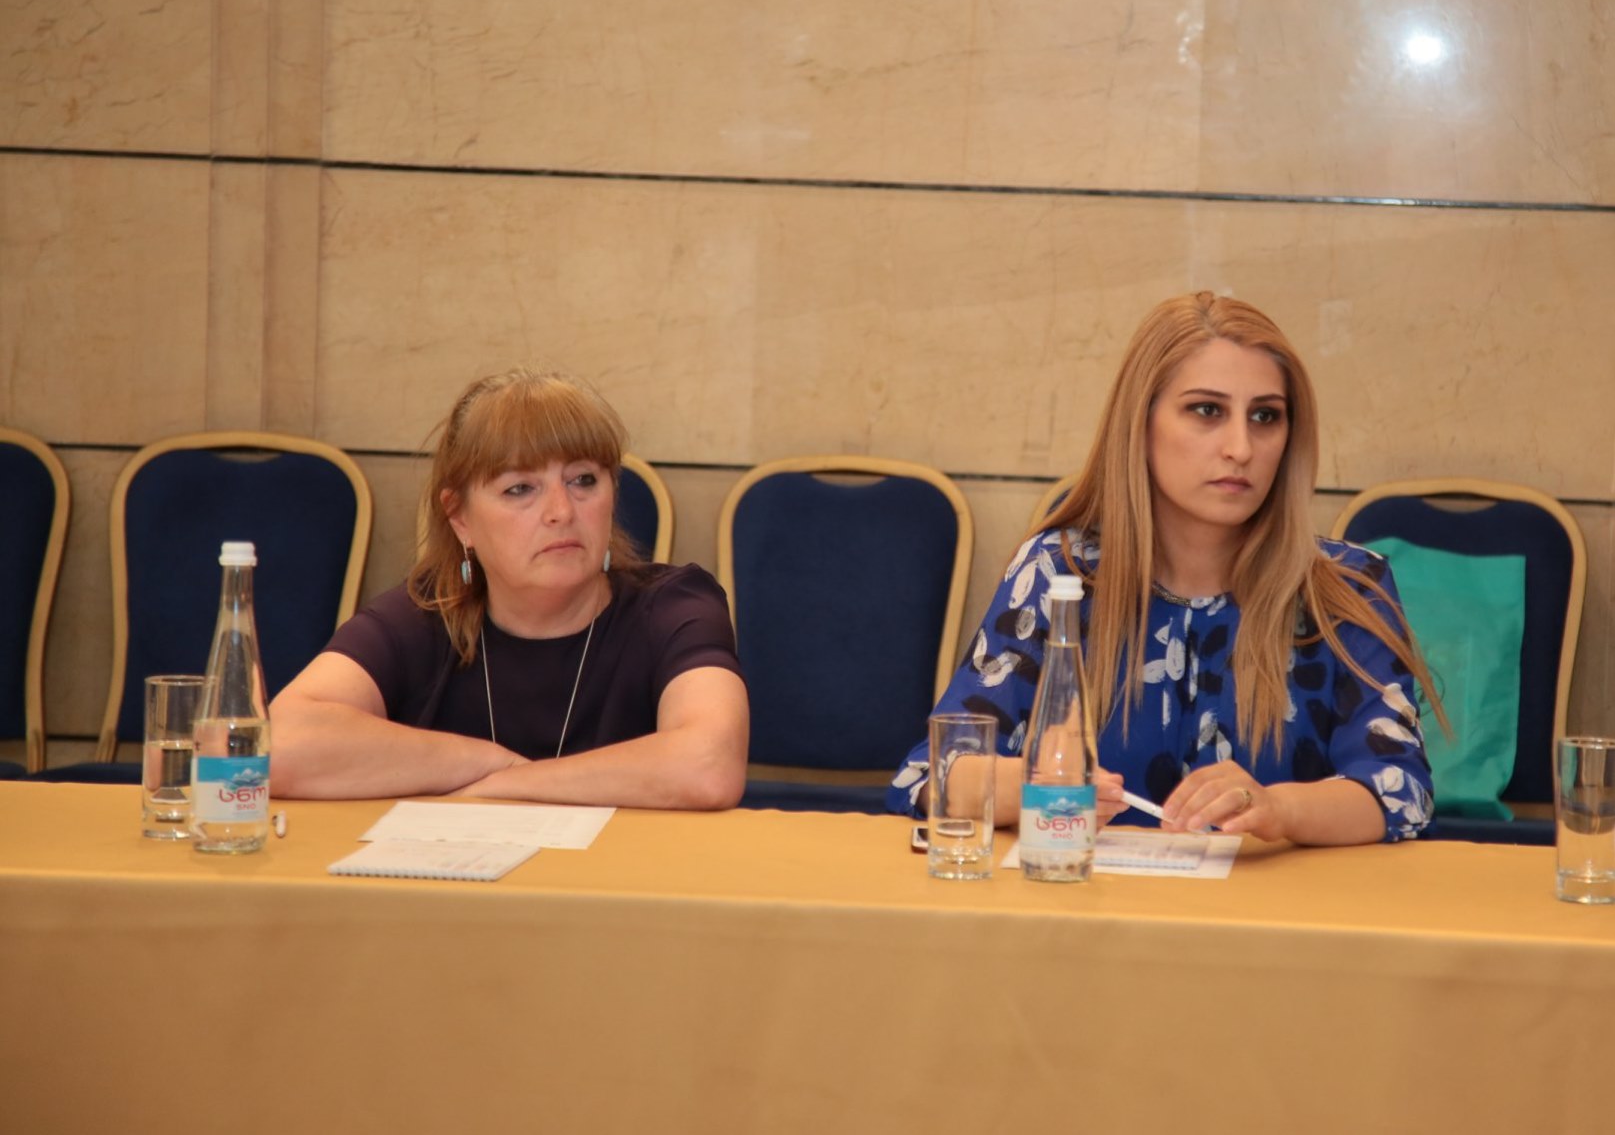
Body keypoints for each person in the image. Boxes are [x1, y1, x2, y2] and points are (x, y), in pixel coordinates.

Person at [887, 293, 1443, 846]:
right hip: (1091, 899)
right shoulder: (1058, 575)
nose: (1241, 447)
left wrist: (1278, 809)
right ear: (1141, 422)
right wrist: (1031, 781)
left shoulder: (1346, 586)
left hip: (1273, 903)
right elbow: (932, 775)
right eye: (1207, 411)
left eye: (1265, 416)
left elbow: (1400, 793)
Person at [272, 369, 749, 809]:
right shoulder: (424, 615)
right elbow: (277, 745)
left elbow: (708, 765)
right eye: (520, 488)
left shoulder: (675, 607)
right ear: (460, 517)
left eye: (583, 480)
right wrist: (487, 762)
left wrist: (504, 786)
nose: (561, 511)